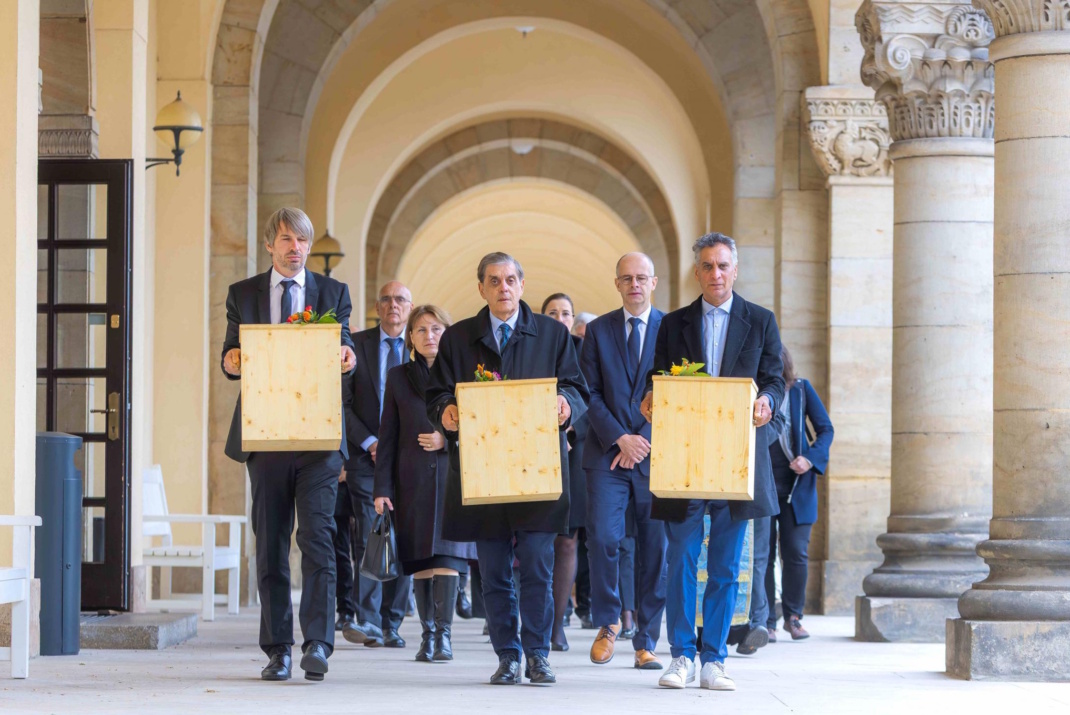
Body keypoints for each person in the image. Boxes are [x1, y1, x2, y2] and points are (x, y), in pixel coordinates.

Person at [427, 252, 589, 686]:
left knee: (537, 565)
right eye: (495, 281)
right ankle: (508, 655)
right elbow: (437, 393)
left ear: (522, 285)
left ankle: (537, 654)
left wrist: (566, 404)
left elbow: (577, 388)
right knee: (495, 571)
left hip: (538, 468)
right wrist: (445, 412)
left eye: (511, 280)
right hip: (483, 471)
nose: (504, 288)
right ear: (481, 287)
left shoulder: (553, 335)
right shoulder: (459, 338)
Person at [641, 232, 785, 692]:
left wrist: (767, 401)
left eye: (723, 266)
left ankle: (714, 660)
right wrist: (651, 395)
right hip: (685, 458)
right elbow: (657, 376)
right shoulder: (673, 324)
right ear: (697, 272)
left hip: (736, 460)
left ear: (734, 270)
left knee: (724, 566)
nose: (716, 274)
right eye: (707, 266)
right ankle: (681, 656)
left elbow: (775, 379)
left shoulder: (760, 321)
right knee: (681, 559)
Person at [221, 207, 356, 682]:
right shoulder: (243, 294)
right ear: (269, 245)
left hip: (319, 438)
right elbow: (231, 352)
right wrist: (232, 359)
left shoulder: (334, 293)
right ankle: (277, 649)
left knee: (318, 539)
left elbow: (344, 345)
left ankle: (317, 643)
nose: (295, 248)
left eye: (302, 240)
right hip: (265, 435)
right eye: (286, 239)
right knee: (271, 545)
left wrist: (347, 355)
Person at [373, 305, 477, 663]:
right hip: (411, 481)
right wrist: (382, 489)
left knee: (448, 556)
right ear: (411, 338)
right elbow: (388, 435)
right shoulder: (399, 376)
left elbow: (482, 425)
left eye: (436, 329)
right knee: (420, 560)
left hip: (453, 478)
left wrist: (446, 441)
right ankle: (427, 635)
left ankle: (444, 637)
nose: (429, 335)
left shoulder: (465, 373)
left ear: (447, 333)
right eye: (421, 330)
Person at [581, 252, 668, 671]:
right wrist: (620, 437)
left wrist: (642, 439)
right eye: (627, 278)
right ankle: (609, 621)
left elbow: (680, 389)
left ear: (654, 282)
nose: (634, 284)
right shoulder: (598, 331)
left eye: (641, 278)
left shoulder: (672, 329)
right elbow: (589, 392)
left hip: (657, 455)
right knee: (602, 537)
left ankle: (646, 641)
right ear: (617, 284)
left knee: (655, 548)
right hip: (606, 453)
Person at [341, 281, 414, 649]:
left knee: (405, 536)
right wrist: (371, 442)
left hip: (411, 460)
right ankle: (367, 619)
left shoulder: (421, 346)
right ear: (376, 307)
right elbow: (342, 403)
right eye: (386, 299)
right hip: (365, 458)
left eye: (400, 299)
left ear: (410, 307)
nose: (393, 305)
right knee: (373, 533)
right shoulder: (357, 345)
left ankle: (392, 622)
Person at [765, 345, 834, 642]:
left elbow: (826, 430)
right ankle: (766, 620)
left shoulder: (801, 389)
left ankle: (793, 616)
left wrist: (810, 459)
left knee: (795, 553)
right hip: (763, 485)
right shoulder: (754, 392)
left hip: (797, 487)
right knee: (763, 555)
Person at [540, 293, 588, 652]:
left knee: (567, 540)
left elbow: (593, 396)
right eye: (552, 313)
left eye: (565, 313)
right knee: (532, 540)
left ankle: (557, 625)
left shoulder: (585, 350)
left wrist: (571, 431)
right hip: (534, 451)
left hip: (573, 453)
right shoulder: (532, 346)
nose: (559, 318)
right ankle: (530, 620)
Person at [333, 469, 358, 631]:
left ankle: (371, 614)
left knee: (366, 552)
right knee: (340, 552)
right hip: (338, 486)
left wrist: (349, 468)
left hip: (363, 477)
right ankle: (345, 609)